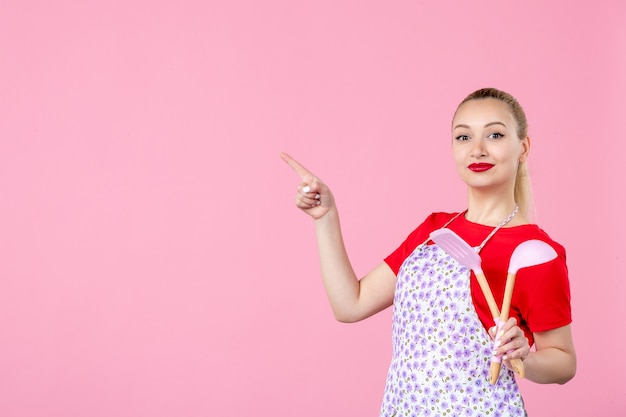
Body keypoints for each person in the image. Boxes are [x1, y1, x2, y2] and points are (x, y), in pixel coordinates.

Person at [281, 87, 576, 417]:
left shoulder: (535, 253)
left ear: (523, 147)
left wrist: (526, 359)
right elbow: (351, 304)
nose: (477, 150)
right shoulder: (434, 232)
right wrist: (326, 218)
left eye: (494, 134)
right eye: (463, 138)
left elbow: (563, 361)